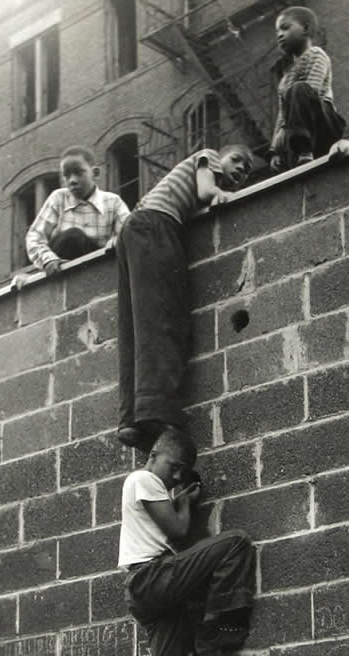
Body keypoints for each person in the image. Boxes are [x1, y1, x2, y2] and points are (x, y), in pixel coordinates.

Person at [118, 427, 256, 656]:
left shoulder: (155, 487)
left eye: (181, 471)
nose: (176, 475)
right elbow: (178, 528)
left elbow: (173, 533)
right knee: (236, 543)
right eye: (174, 466)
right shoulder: (141, 478)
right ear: (153, 457)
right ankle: (220, 625)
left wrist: (180, 497)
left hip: (154, 588)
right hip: (150, 577)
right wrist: (185, 504)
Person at [116, 144, 253, 451]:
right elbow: (206, 191)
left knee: (135, 328)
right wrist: (219, 194)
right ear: (221, 157)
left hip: (133, 230)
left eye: (246, 170)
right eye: (237, 161)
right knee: (164, 317)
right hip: (156, 226)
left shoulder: (168, 191)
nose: (240, 170)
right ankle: (155, 411)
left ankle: (130, 419)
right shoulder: (208, 157)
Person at [25, 146, 129, 273]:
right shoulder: (58, 198)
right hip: (61, 265)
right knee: (73, 236)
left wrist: (114, 243)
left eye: (79, 173)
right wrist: (48, 260)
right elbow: (34, 237)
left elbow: (127, 236)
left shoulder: (113, 202)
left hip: (97, 266)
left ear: (95, 173)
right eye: (66, 176)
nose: (72, 181)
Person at [271, 6, 345, 172]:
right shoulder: (285, 79)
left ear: (305, 28)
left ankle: (304, 151)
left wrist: (286, 128)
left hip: (324, 122)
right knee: (290, 111)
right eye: (277, 31)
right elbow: (282, 113)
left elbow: (312, 89)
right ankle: (298, 161)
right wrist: (275, 150)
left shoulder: (316, 54)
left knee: (298, 90)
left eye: (285, 27)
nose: (279, 35)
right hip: (299, 128)